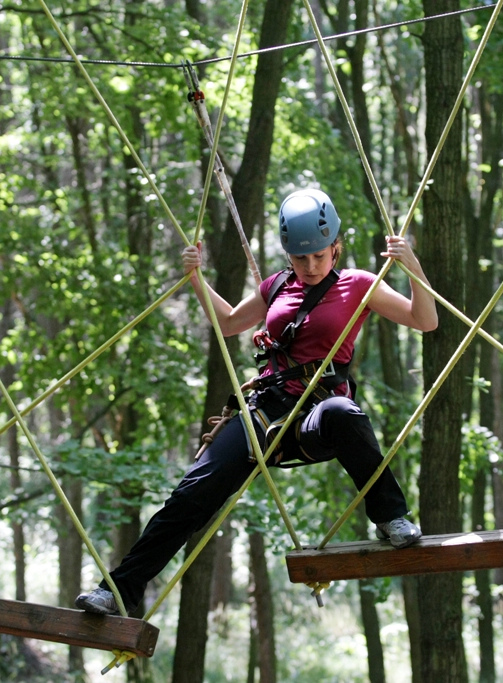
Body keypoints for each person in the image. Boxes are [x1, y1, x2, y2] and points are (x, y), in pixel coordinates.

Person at [76, 188, 438, 616]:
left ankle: (391, 517)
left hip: (316, 414)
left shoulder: (359, 285)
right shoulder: (277, 286)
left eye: (320, 256)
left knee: (345, 413)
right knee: (191, 495)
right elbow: (229, 323)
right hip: (266, 411)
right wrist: (195, 279)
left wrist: (412, 267)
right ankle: (117, 591)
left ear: (335, 247)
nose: (310, 266)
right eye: (300, 259)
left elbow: (424, 320)